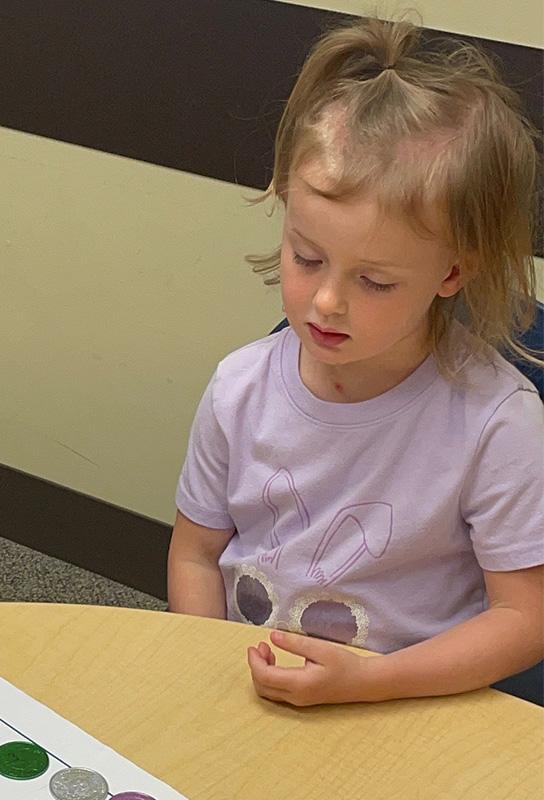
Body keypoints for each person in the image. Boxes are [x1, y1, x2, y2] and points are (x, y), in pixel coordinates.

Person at [167, 17, 544, 707]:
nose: (327, 302)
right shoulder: (240, 387)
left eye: (375, 281)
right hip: (251, 694)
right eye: (307, 258)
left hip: (408, 703)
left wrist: (374, 681)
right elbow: (195, 552)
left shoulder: (499, 425)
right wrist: (205, 674)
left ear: (454, 271)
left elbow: (524, 620)